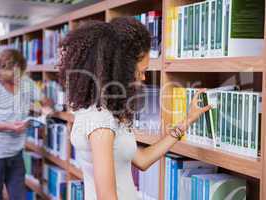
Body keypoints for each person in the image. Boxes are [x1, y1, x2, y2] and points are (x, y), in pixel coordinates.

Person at [58, 19, 211, 200]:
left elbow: (143, 160)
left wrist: (187, 121)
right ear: (123, 69)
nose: (144, 77)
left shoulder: (99, 111)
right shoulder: (101, 122)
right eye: (141, 71)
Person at [0, 49, 48, 200]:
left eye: (18, 75)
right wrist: (8, 126)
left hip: (16, 153)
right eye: (9, 77)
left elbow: (44, 100)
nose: (16, 79)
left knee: (19, 196)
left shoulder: (26, 82)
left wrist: (45, 106)